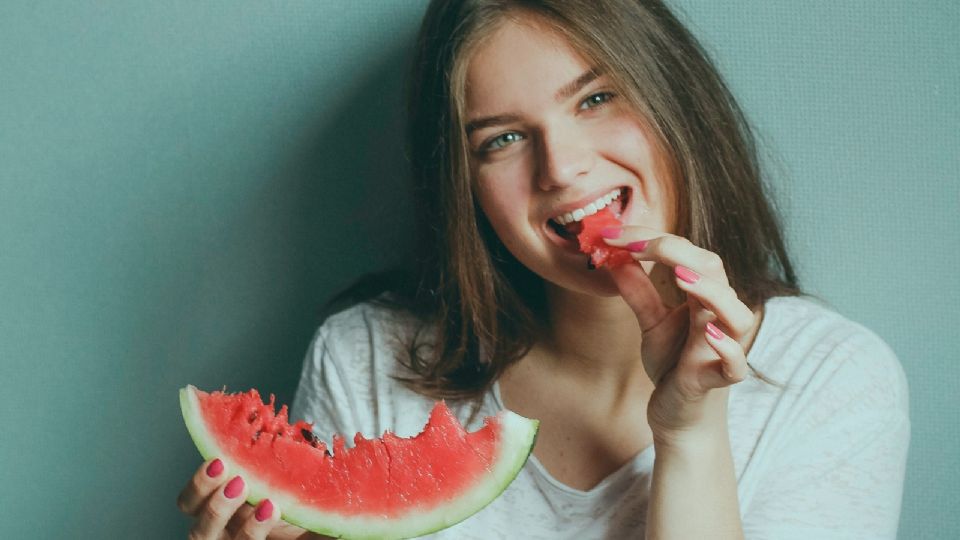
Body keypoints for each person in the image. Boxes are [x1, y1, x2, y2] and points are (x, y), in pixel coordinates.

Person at [176, 1, 910, 538]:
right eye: (501, 141)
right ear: (462, 182)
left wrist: (689, 436)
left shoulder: (833, 380)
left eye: (596, 98)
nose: (562, 169)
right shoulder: (367, 359)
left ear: (675, 101)